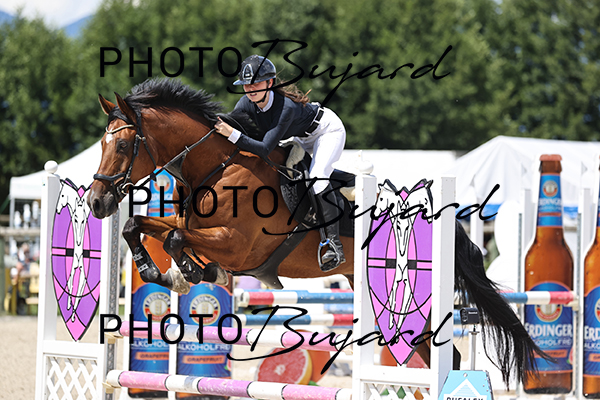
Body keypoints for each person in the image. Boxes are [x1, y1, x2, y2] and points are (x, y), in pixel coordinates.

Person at [215, 55, 347, 272]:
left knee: (317, 178)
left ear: (270, 82)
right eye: (246, 85)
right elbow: (228, 123)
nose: (250, 89)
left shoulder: (285, 106)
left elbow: (264, 148)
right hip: (300, 137)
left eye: (256, 83)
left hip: (326, 131)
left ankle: (334, 244)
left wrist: (232, 134)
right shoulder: (246, 103)